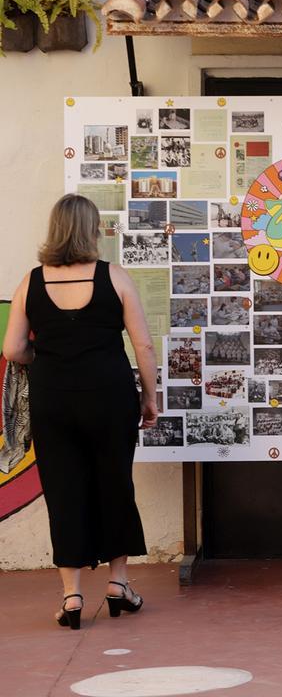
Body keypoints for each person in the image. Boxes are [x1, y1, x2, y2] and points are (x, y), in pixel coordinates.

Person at [2, 194, 159, 630]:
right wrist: (151, 397)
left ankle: (71, 594)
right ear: (91, 230)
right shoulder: (115, 278)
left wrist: (47, 357)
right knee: (114, 483)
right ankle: (118, 584)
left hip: (54, 398)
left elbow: (13, 348)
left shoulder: (30, 283)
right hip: (109, 397)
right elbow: (142, 345)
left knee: (64, 489)